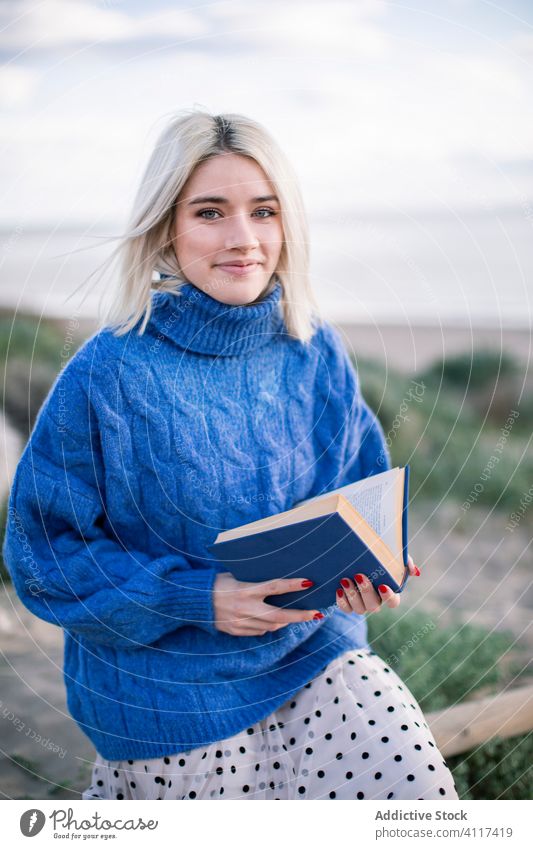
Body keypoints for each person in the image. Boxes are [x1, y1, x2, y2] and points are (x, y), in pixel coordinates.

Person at [3, 109, 458, 801]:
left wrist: (368, 571)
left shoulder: (314, 352)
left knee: (423, 804)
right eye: (210, 212)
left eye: (264, 211)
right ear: (164, 229)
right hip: (166, 699)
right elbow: (43, 557)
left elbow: (360, 499)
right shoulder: (108, 373)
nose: (243, 239)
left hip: (315, 655)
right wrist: (196, 594)